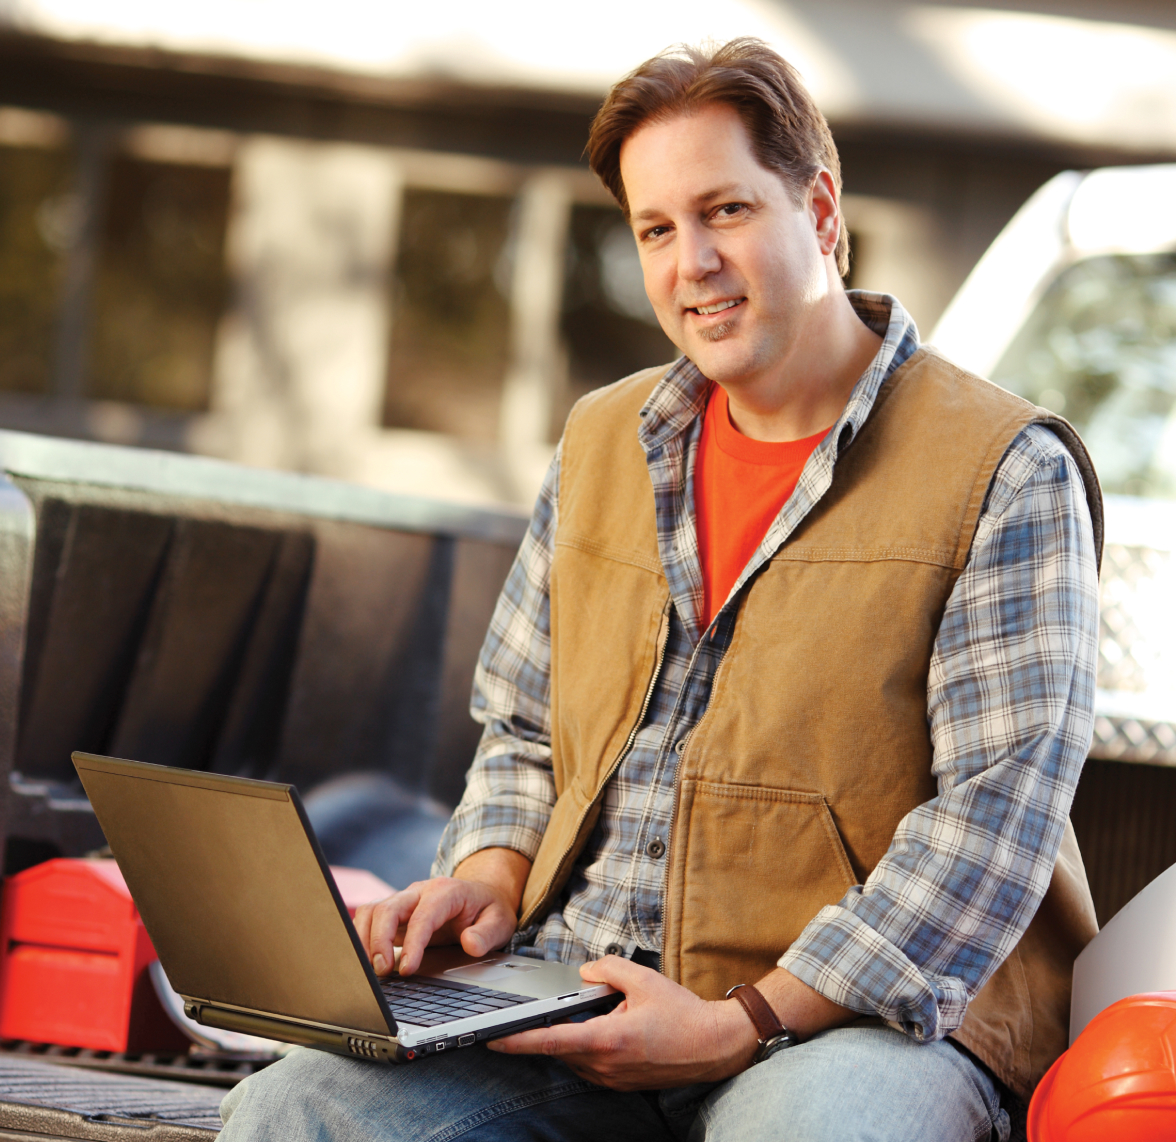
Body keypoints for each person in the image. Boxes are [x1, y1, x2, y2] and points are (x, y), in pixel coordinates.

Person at [218, 38, 1102, 1142]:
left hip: (861, 1023)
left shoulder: (1006, 468)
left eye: (726, 211)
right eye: (656, 229)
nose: (693, 263)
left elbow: (990, 825)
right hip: (578, 992)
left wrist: (741, 1020)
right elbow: (527, 732)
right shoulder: (603, 440)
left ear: (820, 210)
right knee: (293, 1109)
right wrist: (490, 876)